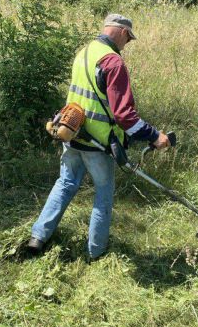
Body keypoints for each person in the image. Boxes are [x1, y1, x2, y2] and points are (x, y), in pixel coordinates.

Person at [27, 14, 170, 261]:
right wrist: (155, 136)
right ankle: (96, 251)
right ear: (124, 33)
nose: (127, 45)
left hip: (71, 133)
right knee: (103, 193)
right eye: (129, 39)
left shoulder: (84, 51)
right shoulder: (113, 62)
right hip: (99, 144)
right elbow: (125, 116)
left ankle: (38, 237)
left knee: (65, 184)